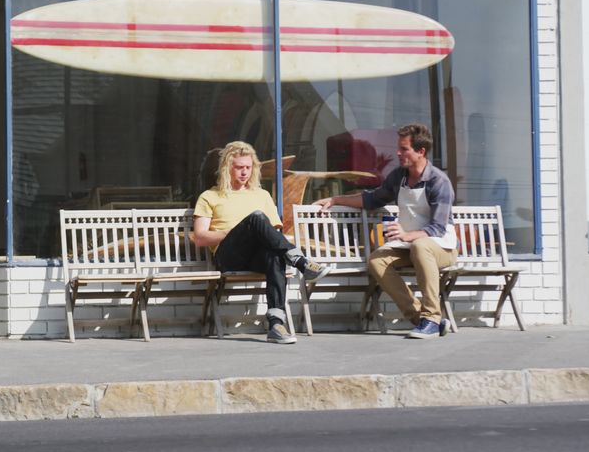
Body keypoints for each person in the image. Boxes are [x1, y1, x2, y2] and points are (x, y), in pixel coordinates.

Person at [314, 123, 457, 339]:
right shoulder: (399, 176)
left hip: (441, 248)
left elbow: (437, 228)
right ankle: (422, 319)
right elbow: (372, 199)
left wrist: (408, 235)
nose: (398, 153)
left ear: (421, 151)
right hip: (410, 246)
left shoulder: (438, 181)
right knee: (377, 261)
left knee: (421, 245)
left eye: (404, 149)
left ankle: (432, 316)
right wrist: (335, 199)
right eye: (398, 148)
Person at [192, 141, 332, 344]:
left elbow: (273, 234)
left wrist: (253, 233)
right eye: (239, 167)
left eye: (248, 167)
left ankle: (276, 324)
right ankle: (301, 261)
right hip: (229, 255)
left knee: (276, 254)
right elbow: (200, 237)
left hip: (256, 255)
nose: (244, 172)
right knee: (256, 217)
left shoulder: (262, 195)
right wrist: (232, 232)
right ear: (227, 168)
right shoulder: (210, 196)